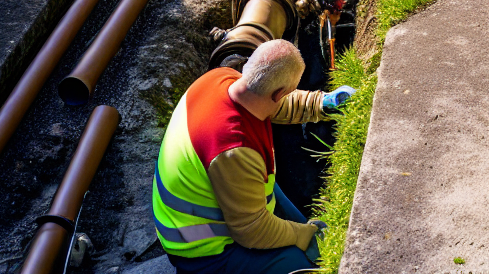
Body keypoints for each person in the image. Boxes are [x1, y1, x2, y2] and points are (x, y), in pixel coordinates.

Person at [152, 39, 355, 274]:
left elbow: (273, 102)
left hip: (194, 208)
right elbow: (253, 230)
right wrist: (305, 234)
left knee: (294, 226)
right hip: (201, 251)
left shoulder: (221, 79)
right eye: (286, 92)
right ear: (279, 93)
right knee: (305, 264)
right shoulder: (234, 149)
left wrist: (322, 103)